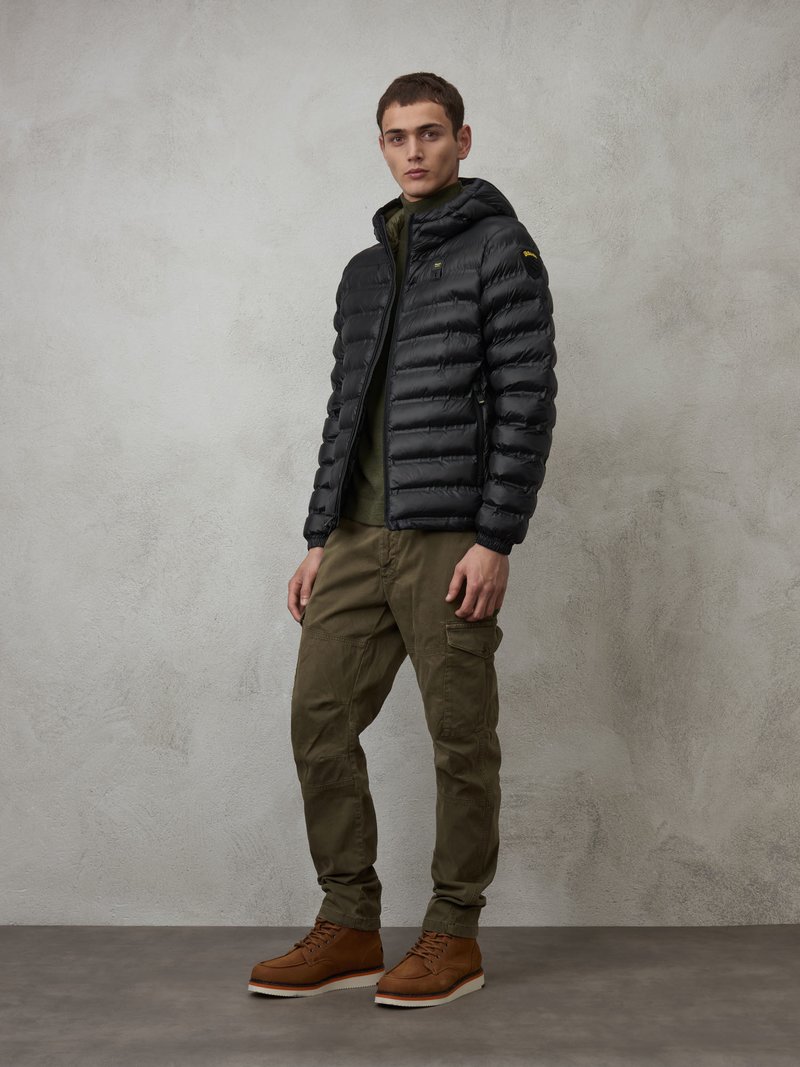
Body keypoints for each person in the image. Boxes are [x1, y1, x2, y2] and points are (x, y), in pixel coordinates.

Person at [249, 71, 557, 1009]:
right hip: (356, 535)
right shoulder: (364, 270)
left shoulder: (502, 247)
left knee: (460, 738)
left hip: (448, 539)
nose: (414, 150)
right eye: (396, 135)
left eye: (429, 132)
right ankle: (349, 922)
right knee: (318, 719)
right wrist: (319, 535)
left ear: (463, 139)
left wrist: (496, 537)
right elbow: (344, 411)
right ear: (381, 146)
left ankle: (454, 932)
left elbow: (527, 399)